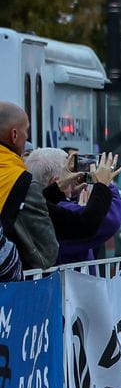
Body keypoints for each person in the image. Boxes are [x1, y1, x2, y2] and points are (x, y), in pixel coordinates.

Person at [30, 150, 121, 263]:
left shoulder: (32, 209)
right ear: (55, 181)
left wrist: (64, 193)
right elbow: (110, 219)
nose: (77, 177)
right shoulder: (61, 211)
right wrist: (106, 184)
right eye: (71, 172)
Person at [0, 101, 58, 271]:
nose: (27, 138)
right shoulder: (20, 180)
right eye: (27, 131)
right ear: (15, 135)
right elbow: (46, 254)